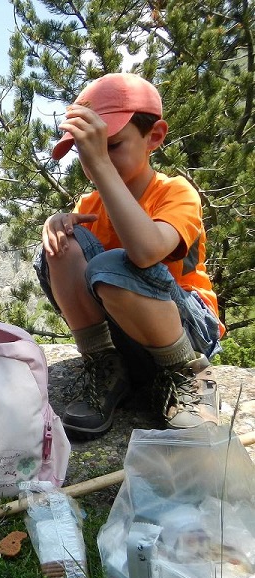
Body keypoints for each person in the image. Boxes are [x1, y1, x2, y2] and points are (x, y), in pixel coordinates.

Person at [36, 72, 223, 440]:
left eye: (111, 146)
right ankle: (106, 365)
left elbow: (144, 252)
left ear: (154, 136)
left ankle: (186, 375)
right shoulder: (90, 204)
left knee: (113, 264)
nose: (95, 162)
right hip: (126, 332)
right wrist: (57, 226)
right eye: (87, 151)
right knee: (61, 246)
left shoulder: (176, 192)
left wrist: (102, 169)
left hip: (186, 330)